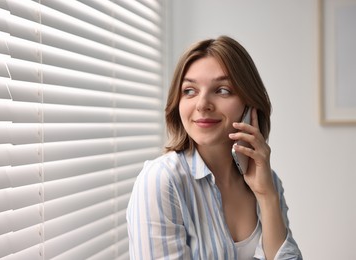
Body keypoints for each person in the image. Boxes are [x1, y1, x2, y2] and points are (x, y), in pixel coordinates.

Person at [126, 35, 302, 260]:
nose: (202, 104)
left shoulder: (269, 182)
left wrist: (267, 196)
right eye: (189, 91)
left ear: (249, 104)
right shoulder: (161, 180)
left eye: (222, 90)